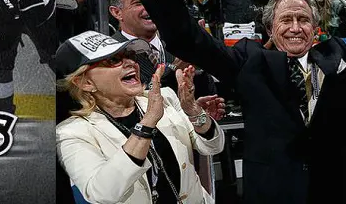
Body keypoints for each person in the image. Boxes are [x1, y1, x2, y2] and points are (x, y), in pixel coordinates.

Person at [140, 0, 346, 203]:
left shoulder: (337, 54)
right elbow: (187, 40)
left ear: (315, 25)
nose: (296, 28)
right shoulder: (249, 60)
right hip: (271, 190)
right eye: (286, 20)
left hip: (330, 188)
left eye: (303, 19)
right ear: (270, 28)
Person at [56, 32, 225, 204]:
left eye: (129, 55)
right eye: (114, 60)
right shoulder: (70, 132)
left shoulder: (164, 97)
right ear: (85, 83)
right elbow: (102, 193)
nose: (130, 63)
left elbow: (213, 147)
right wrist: (148, 123)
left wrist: (194, 111)